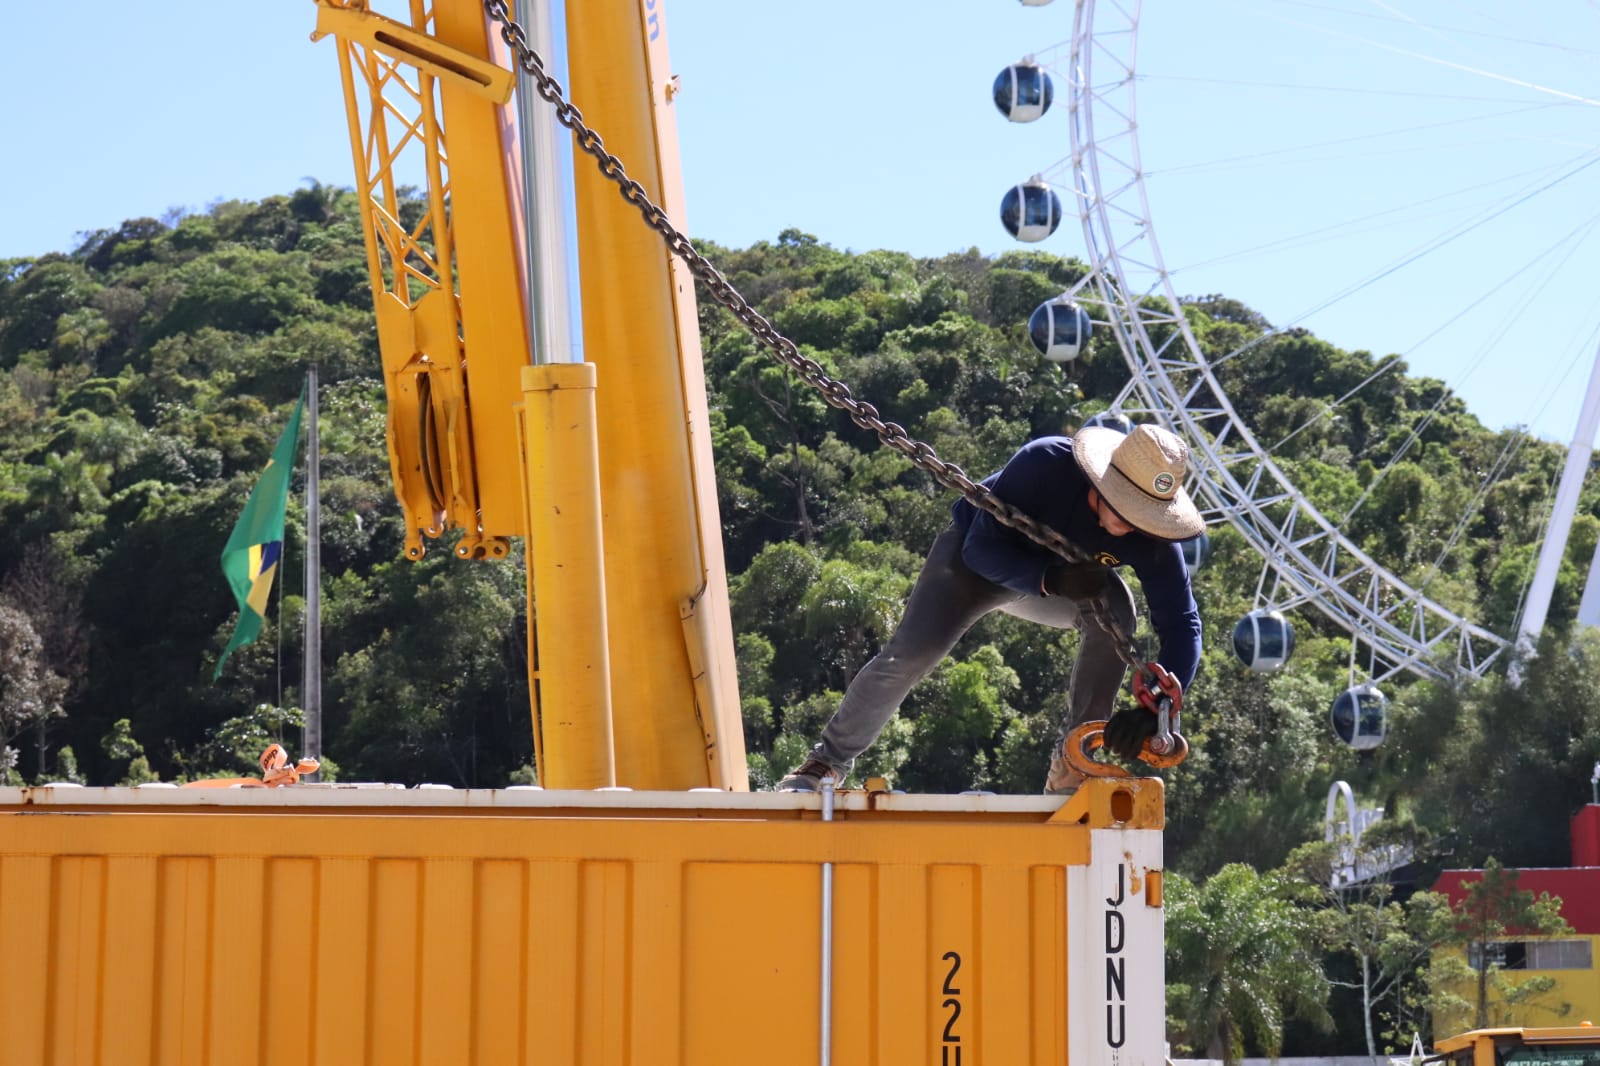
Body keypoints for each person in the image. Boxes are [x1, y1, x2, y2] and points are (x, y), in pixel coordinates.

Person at [777, 423, 1204, 795]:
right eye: (1126, 508)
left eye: (1144, 514)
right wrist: (1049, 578)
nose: (1131, 524)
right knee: (911, 654)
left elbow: (1183, 623)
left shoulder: (1153, 541)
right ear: (1102, 480)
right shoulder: (1044, 465)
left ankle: (1075, 765)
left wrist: (1156, 710)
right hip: (974, 565)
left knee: (1118, 611)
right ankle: (827, 760)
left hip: (1066, 588)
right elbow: (980, 549)